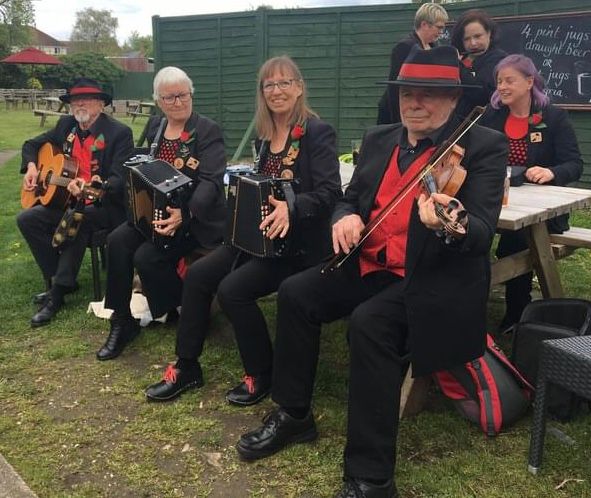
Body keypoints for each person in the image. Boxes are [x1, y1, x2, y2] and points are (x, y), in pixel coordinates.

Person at [237, 46, 508, 498]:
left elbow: (480, 230)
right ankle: (293, 414)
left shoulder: (482, 146)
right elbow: (349, 195)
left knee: (370, 325)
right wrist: (345, 215)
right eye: (406, 93)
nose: (414, 102)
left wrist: (450, 224)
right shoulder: (381, 138)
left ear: (454, 100)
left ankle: (371, 476)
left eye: (429, 94)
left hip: (431, 278)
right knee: (296, 293)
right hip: (368, 261)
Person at [144, 55, 342, 405]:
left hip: (295, 245)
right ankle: (187, 365)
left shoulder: (316, 132)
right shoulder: (266, 136)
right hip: (256, 237)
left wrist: (292, 206)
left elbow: (330, 193)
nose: (277, 91)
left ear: (299, 88)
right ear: (262, 92)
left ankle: (261, 372)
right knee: (199, 274)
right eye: (269, 85)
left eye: (284, 83)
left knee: (233, 289)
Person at [96, 66, 227, 361]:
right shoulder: (156, 126)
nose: (177, 102)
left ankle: (186, 311)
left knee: (145, 256)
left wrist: (184, 214)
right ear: (158, 101)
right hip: (156, 214)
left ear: (191, 95)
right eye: (169, 98)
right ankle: (122, 319)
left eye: (182, 95)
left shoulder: (207, 130)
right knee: (118, 240)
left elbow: (211, 181)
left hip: (195, 220)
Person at [17, 78, 134, 327]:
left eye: (87, 99)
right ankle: (59, 277)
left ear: (101, 104)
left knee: (77, 218)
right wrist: (31, 167)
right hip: (67, 200)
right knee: (27, 218)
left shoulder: (119, 133)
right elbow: (31, 145)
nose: (78, 104)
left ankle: (57, 294)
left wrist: (93, 186)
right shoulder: (66, 125)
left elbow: (118, 178)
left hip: (104, 206)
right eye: (74, 100)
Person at [480, 54, 583, 332]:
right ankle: (468, 303)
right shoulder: (492, 116)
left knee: (514, 241)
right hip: (498, 201)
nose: (502, 86)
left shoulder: (554, 117)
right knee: (468, 231)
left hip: (541, 211)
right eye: (499, 81)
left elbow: (574, 164)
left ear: (529, 82)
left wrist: (552, 172)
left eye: (509, 80)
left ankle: (516, 314)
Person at [377, 2, 449, 125]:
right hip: (396, 114)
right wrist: (399, 123)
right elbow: (394, 87)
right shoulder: (405, 47)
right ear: (424, 24)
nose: (441, 32)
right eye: (439, 27)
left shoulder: (434, 46)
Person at [451, 9, 507, 118]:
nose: (473, 43)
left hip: (480, 127)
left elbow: (480, 93)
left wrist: (458, 65)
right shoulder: (462, 57)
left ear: (489, 33)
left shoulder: (499, 60)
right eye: (467, 39)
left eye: (478, 36)